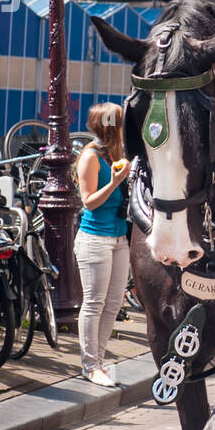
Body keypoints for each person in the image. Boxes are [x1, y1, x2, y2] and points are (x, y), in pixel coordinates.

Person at [74, 103, 131, 387]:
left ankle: (99, 360)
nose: (125, 127)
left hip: (120, 239)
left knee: (112, 305)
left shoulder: (118, 155)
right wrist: (116, 181)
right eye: (120, 123)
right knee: (94, 303)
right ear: (111, 126)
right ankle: (90, 365)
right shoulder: (91, 157)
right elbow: (89, 202)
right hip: (95, 238)